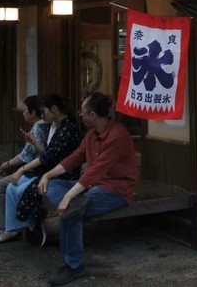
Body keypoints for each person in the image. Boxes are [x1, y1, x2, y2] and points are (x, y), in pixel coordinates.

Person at [38, 92, 137, 286]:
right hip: (91, 186)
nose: (79, 115)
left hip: (115, 189)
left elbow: (96, 171)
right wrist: (48, 175)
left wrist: (68, 196)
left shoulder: (117, 136)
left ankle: (73, 265)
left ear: (92, 115)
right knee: (54, 187)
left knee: (72, 208)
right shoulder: (91, 135)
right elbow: (75, 158)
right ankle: (72, 206)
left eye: (83, 112)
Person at [0, 93, 82, 244]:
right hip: (48, 172)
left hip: (61, 175)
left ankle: (33, 225)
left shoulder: (68, 129)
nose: (43, 114)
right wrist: (35, 143)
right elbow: (48, 153)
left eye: (45, 110)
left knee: (22, 190)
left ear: (54, 109)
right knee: (11, 188)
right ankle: (15, 228)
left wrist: (21, 169)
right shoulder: (56, 126)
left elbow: (48, 157)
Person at [0, 95, 48, 238]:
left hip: (34, 172)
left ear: (33, 112)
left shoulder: (38, 128)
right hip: (34, 170)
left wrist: (7, 164)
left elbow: (26, 156)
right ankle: (12, 225)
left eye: (25, 110)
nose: (23, 113)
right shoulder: (44, 125)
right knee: (8, 187)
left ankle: (7, 227)